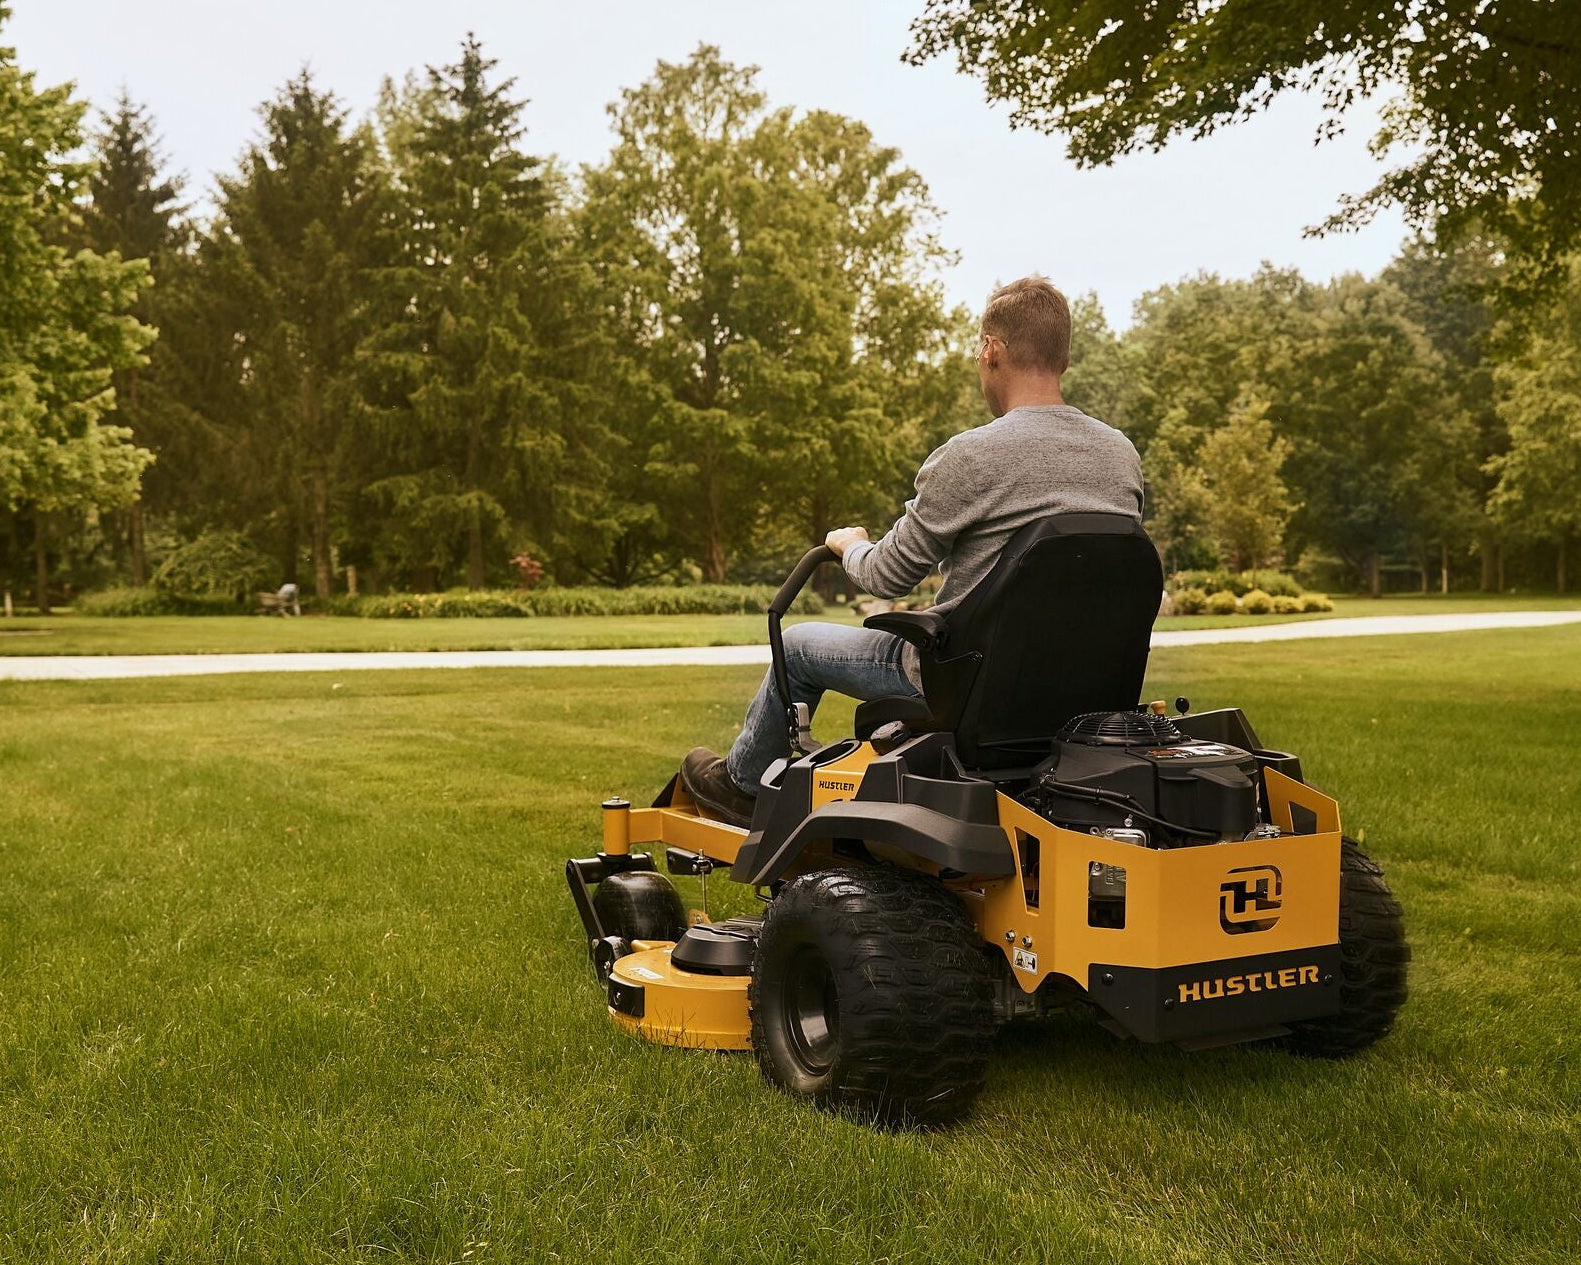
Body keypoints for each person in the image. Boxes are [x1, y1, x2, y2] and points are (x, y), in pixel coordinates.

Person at [680, 275, 1145, 826]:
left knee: (800, 643)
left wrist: (850, 546)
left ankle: (742, 785)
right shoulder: (1120, 455)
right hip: (1082, 690)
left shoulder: (969, 457)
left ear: (991, 351)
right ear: (1062, 357)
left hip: (965, 682)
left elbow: (886, 575)